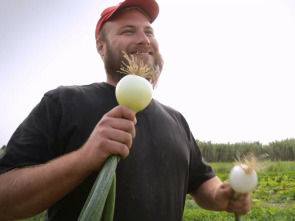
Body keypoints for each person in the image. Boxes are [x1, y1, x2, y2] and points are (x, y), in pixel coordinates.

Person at [0, 0, 252, 220]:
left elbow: (201, 181)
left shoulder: (176, 120)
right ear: (101, 47)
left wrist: (220, 196)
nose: (144, 39)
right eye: (128, 31)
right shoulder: (63, 102)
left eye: (149, 31)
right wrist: (84, 158)